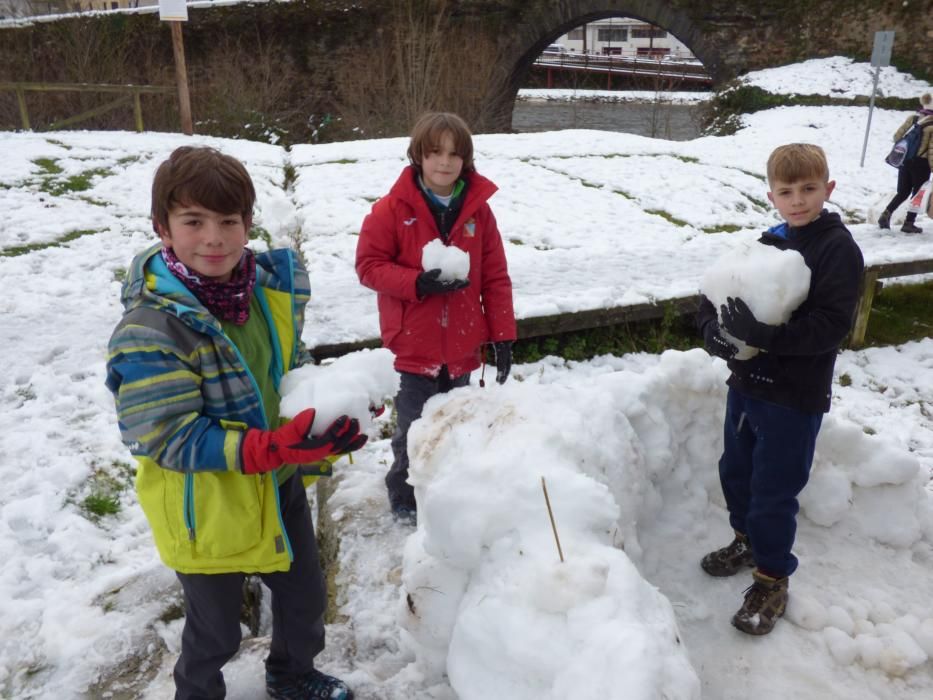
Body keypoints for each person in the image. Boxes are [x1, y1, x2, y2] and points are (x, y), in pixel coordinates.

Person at [105, 146, 366, 700]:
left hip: (279, 481)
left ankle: (291, 673)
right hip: (205, 505)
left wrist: (327, 413)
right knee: (216, 630)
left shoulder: (265, 295)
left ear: (248, 224)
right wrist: (265, 448)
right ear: (163, 228)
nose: (214, 238)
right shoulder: (152, 328)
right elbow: (165, 434)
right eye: (193, 222)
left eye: (229, 221)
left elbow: (284, 377)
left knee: (303, 599)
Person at [697, 143, 864, 635]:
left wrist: (764, 337)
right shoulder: (768, 240)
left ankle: (771, 579)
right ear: (772, 196)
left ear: (827, 190)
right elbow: (719, 290)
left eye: (809, 189)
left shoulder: (837, 250)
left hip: (794, 396)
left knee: (774, 490)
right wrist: (710, 327)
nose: (798, 200)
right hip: (747, 386)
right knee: (736, 471)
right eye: (787, 191)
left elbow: (831, 326)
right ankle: (745, 538)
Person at [355, 111, 516, 522]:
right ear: (418, 157)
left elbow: (495, 277)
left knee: (454, 425)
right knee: (412, 431)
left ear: (466, 160)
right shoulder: (391, 210)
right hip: (412, 348)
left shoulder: (479, 214)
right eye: (434, 153)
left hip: (462, 345)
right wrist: (416, 283)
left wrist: (502, 335)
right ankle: (405, 497)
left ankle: (447, 493)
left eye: (454, 154)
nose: (444, 162)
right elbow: (369, 266)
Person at [878, 92, 933, 233]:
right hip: (921, 163)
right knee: (918, 194)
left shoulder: (913, 119)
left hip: (905, 161)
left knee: (902, 192)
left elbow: (897, 136)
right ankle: (908, 223)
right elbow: (932, 150)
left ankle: (886, 214)